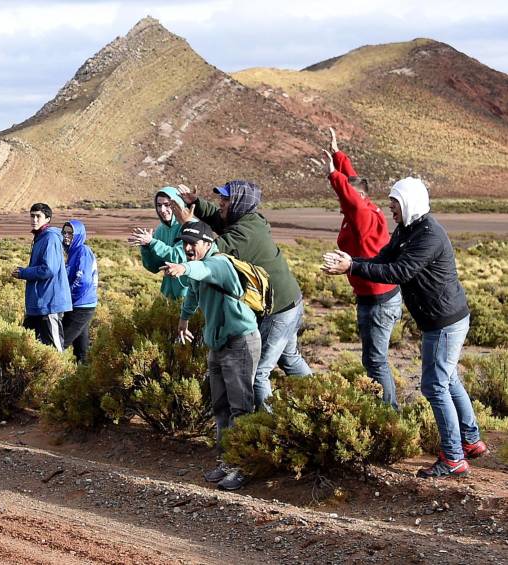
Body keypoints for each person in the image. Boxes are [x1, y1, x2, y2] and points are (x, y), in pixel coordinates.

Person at [322, 177, 488, 478]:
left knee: (435, 385)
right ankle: (471, 441)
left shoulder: (428, 235)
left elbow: (399, 271)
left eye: (395, 202)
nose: (390, 207)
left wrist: (353, 267)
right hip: (440, 319)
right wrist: (352, 261)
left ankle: (453, 457)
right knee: (448, 379)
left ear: (409, 202)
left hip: (444, 322)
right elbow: (384, 258)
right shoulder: (408, 229)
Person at [175, 181, 312, 412]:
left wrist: (189, 225)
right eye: (221, 198)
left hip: (279, 310)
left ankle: (266, 424)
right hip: (288, 301)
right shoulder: (248, 219)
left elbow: (210, 250)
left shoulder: (244, 233)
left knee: (258, 374)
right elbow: (217, 219)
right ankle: (320, 400)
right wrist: (196, 203)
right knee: (289, 358)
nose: (221, 203)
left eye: (226, 199)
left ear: (239, 203)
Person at [161, 221, 261, 491]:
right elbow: (193, 294)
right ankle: (227, 461)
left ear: (208, 243)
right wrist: (184, 320)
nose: (188, 248)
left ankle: (243, 465)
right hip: (218, 345)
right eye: (184, 243)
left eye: (192, 243)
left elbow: (203, 270)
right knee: (220, 407)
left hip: (239, 342)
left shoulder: (219, 263)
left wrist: (183, 268)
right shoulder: (199, 265)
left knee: (240, 408)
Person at [322, 127, 402, 409]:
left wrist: (334, 175)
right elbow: (355, 184)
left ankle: (390, 415)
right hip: (373, 296)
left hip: (379, 300)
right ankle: (384, 409)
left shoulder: (362, 215)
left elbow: (352, 195)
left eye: (345, 196)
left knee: (375, 360)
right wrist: (338, 155)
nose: (342, 200)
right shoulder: (363, 209)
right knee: (372, 359)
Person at [12, 203, 72, 351]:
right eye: (32, 216)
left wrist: (24, 273)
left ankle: (61, 368)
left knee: (54, 350)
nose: (34, 219)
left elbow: (48, 269)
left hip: (49, 303)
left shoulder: (50, 238)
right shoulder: (40, 237)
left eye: (38, 216)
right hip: (39, 303)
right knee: (27, 345)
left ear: (47, 219)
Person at [127, 187, 188, 299]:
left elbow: (179, 257)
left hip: (189, 293)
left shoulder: (189, 226)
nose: (162, 210)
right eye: (159, 205)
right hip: (168, 294)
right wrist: (146, 247)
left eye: (167, 205)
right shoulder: (160, 229)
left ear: (178, 204)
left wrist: (152, 242)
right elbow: (154, 267)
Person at [61, 220, 98, 363]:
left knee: (59, 343)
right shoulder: (72, 252)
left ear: (78, 235)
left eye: (70, 233)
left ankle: (47, 369)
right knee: (81, 349)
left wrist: (68, 294)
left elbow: (83, 279)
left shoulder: (82, 251)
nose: (66, 236)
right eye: (64, 232)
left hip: (81, 306)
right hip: (79, 304)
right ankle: (83, 371)